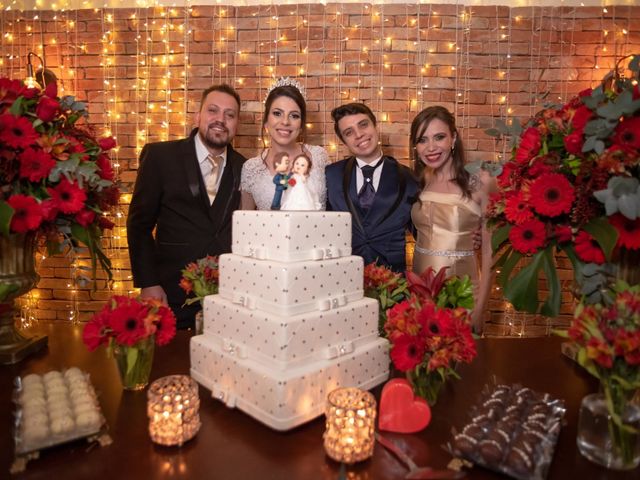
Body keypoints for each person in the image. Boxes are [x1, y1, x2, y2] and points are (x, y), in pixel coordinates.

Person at [127, 84, 246, 329]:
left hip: (228, 298)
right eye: (213, 111)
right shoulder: (160, 157)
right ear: (198, 116)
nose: (220, 120)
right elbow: (139, 224)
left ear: (236, 124)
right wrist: (148, 282)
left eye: (229, 115)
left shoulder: (246, 167)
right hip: (170, 292)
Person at [409, 106, 494, 333]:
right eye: (422, 140)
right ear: (415, 147)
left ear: (454, 138)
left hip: (462, 293)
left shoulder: (481, 181)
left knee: (463, 365)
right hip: (421, 293)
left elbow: (489, 252)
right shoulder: (420, 179)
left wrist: (480, 309)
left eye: (439, 137)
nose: (431, 147)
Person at [326, 103, 419, 272]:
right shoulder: (330, 175)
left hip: (393, 282)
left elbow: (423, 231)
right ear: (343, 141)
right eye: (349, 132)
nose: (359, 134)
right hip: (343, 276)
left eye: (363, 125)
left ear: (375, 126)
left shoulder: (408, 177)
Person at [240, 78, 328, 211]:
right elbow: (246, 222)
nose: (285, 122)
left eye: (294, 116)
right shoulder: (251, 169)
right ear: (266, 122)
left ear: (301, 125)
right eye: (277, 113)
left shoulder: (319, 156)